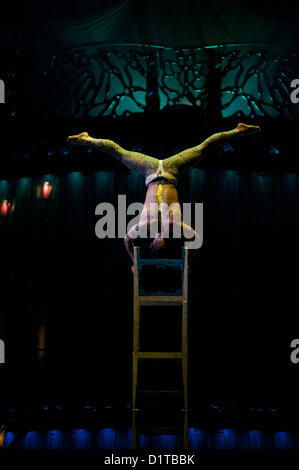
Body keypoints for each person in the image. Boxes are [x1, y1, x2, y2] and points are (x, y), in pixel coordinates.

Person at [67, 123, 260, 271]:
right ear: (156, 243)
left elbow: (127, 239)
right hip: (166, 171)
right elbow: (195, 239)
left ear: (151, 243)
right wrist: (186, 262)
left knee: (118, 152)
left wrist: (136, 262)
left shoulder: (153, 227)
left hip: (154, 172)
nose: (156, 242)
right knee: (202, 149)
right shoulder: (171, 226)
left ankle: (87, 138)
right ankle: (238, 131)